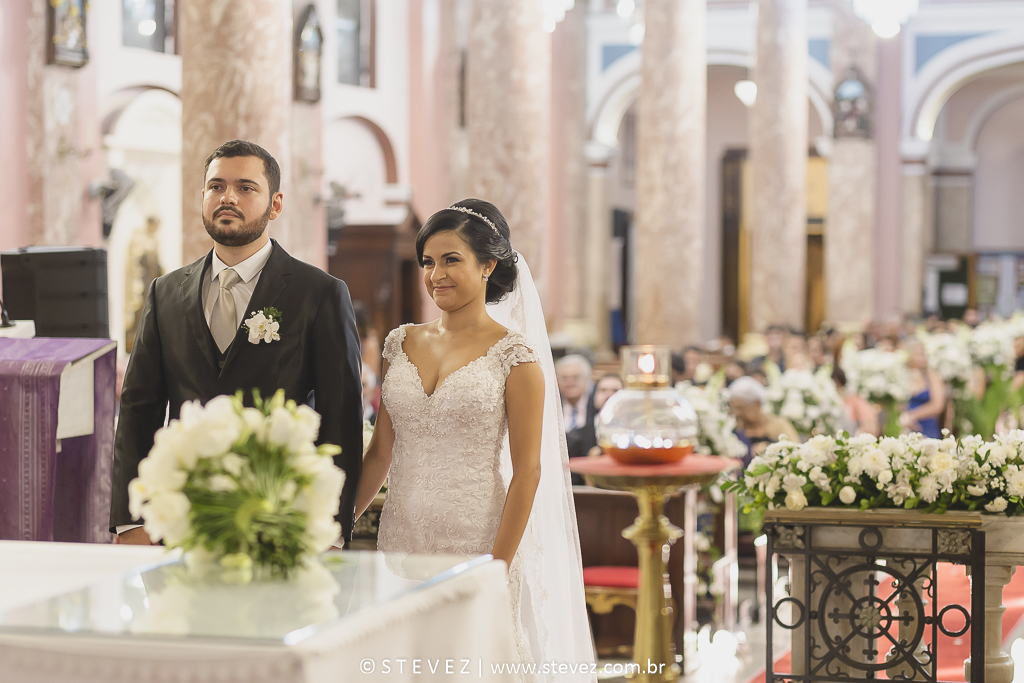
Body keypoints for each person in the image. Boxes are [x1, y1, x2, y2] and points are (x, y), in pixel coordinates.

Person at [355, 199, 594, 679]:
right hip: (401, 535)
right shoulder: (400, 343)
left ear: (488, 265)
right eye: (427, 262)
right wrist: (338, 524)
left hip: (477, 539)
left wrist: (496, 566)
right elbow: (382, 450)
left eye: (450, 260)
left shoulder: (516, 357)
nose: (435, 274)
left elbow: (528, 472)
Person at [109, 140, 364, 545]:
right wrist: (130, 521)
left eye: (246, 187)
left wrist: (329, 532)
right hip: (181, 518)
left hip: (282, 518)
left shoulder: (319, 293)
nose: (227, 197)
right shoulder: (166, 292)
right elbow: (140, 408)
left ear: (275, 204)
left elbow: (341, 418)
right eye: (216, 186)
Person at [728, 376, 799, 466]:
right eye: (734, 408)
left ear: (757, 403)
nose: (736, 413)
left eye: (741, 408)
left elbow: (795, 451)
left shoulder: (779, 425)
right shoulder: (734, 427)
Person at [566, 373, 623, 464]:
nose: (608, 394)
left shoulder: (636, 435)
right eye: (603, 390)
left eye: (615, 390)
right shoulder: (576, 438)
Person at [902, 339, 945, 438]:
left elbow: (937, 405)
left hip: (925, 424)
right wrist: (903, 417)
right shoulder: (901, 374)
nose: (921, 357)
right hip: (903, 423)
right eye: (916, 353)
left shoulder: (931, 376)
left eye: (923, 353)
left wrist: (911, 416)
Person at [556, 354, 593, 433]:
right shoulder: (553, 407)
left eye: (575, 377)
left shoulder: (595, 405)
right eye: (564, 378)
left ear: (586, 379)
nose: (570, 383)